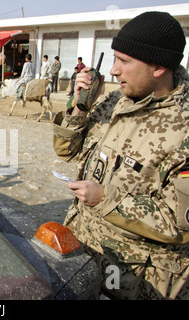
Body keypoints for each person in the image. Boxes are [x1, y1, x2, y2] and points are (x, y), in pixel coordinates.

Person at [52, 11, 189, 300]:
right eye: (114, 59)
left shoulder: (183, 127)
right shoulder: (118, 101)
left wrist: (106, 198)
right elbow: (66, 151)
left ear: (159, 67)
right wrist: (80, 107)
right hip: (84, 253)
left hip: (135, 280)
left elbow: (179, 226)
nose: (114, 71)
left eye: (124, 62)